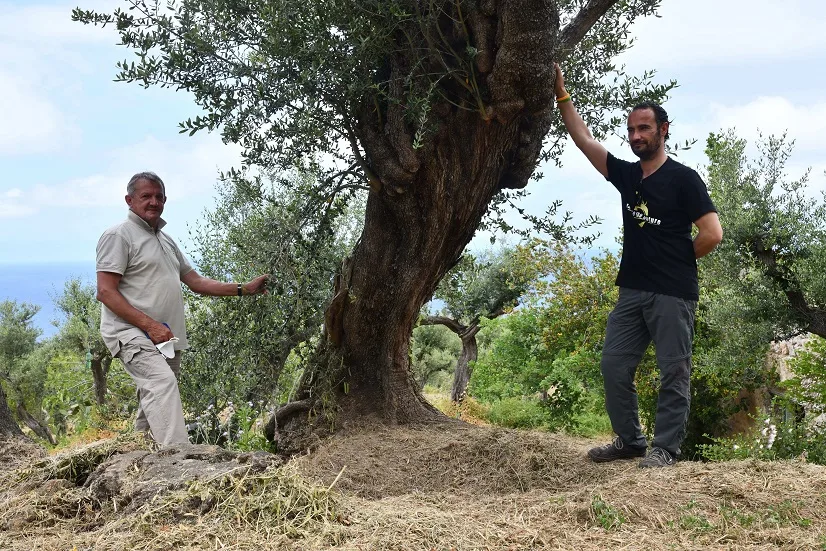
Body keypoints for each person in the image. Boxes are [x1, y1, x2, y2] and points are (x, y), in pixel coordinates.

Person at [553, 64, 723, 467]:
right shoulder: (628, 176)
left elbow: (712, 233)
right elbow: (583, 140)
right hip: (631, 290)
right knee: (614, 365)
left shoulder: (684, 179)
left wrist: (676, 259)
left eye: (644, 128)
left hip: (672, 293)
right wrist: (561, 95)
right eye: (631, 130)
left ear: (664, 130)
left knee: (673, 372)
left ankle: (665, 449)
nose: (636, 136)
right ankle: (630, 442)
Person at [96, 171, 269, 446]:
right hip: (130, 332)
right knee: (161, 383)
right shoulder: (119, 235)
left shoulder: (165, 240)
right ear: (129, 200)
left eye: (159, 197)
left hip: (165, 337)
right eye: (146, 196)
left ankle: (136, 455)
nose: (154, 202)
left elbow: (197, 282)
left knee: (155, 394)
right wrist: (150, 326)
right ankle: (180, 459)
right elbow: (106, 291)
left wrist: (244, 289)